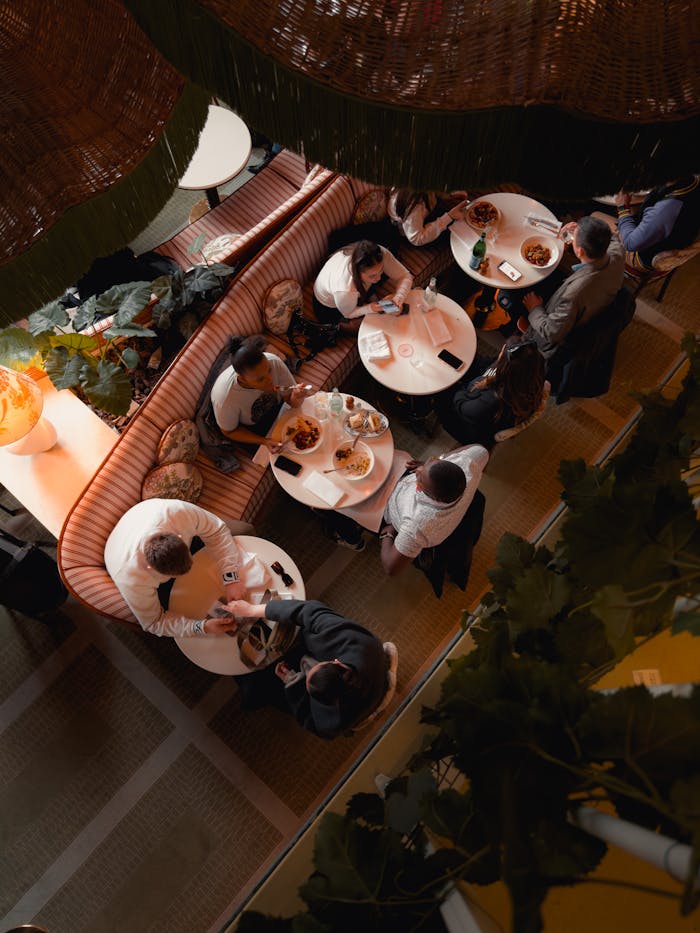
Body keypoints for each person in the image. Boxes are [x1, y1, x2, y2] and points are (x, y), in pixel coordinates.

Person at [227, 597, 389, 738]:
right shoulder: (355, 641)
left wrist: (293, 681)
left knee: (252, 689)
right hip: (338, 654)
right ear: (337, 662)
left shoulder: (332, 722)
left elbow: (308, 718)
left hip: (310, 659)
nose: (306, 669)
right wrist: (251, 610)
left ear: (325, 703)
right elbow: (309, 610)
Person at [104, 498, 252, 637]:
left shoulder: (176, 512)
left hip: (148, 514)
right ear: (151, 570)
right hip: (123, 558)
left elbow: (216, 531)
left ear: (180, 537)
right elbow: (154, 622)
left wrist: (231, 577)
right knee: (190, 608)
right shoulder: (131, 578)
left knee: (244, 529)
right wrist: (201, 627)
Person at [519, 215, 625, 358]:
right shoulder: (618, 249)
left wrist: (534, 309)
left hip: (556, 338)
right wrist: (585, 230)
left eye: (574, 237)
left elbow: (552, 332)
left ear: (579, 251)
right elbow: (612, 237)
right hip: (600, 297)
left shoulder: (574, 295)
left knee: (511, 297)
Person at [379, 444, 489, 576]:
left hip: (386, 506)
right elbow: (481, 449)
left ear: (432, 497)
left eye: (419, 477)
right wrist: (430, 468)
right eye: (433, 460)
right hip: (406, 483)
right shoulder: (468, 462)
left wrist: (388, 534)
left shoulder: (417, 526)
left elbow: (391, 568)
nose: (419, 469)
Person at [438, 337, 547, 449]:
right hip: (477, 397)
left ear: (504, 364)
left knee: (438, 394)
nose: (499, 353)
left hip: (468, 425)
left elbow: (459, 403)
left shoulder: (490, 402)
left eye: (502, 353)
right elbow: (491, 363)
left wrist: (455, 382)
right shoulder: (532, 374)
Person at [210, 335, 312, 449]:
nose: (270, 380)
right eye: (260, 379)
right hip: (254, 428)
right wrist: (264, 441)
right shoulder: (225, 398)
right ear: (242, 379)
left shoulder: (273, 362)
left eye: (269, 370)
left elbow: (291, 401)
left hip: (278, 408)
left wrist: (296, 397)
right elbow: (229, 431)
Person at [313, 239, 413, 335]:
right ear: (358, 272)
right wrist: (370, 308)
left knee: (394, 309)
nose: (379, 278)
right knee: (374, 326)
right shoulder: (345, 289)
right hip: (329, 308)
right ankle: (334, 327)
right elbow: (349, 313)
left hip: (354, 293)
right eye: (373, 276)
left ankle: (369, 298)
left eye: (381, 270)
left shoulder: (378, 254)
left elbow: (405, 276)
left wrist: (399, 296)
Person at [613, 176, 700, 272]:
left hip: (642, 255)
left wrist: (622, 209)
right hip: (677, 234)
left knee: (599, 217)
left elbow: (630, 243)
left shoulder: (667, 208)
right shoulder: (692, 180)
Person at [387, 187, 470, 246]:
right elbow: (416, 238)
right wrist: (450, 216)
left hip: (424, 213)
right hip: (412, 233)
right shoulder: (414, 208)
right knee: (456, 235)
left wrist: (450, 195)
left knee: (461, 218)